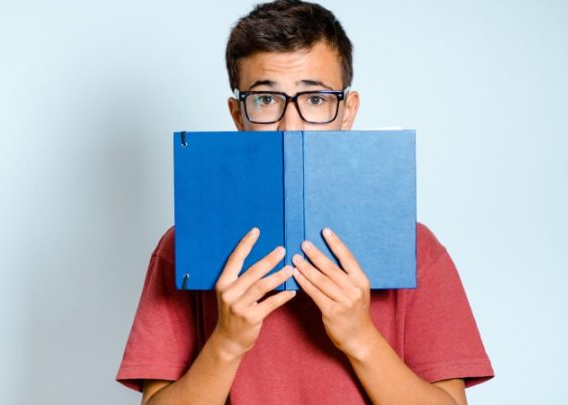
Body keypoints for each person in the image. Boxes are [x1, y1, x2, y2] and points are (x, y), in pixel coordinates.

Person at [116, 1, 494, 404]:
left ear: (347, 112)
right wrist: (227, 342)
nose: (290, 125)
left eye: (315, 99)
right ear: (237, 115)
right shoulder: (183, 247)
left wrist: (360, 337)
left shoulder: (415, 247)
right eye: (265, 101)